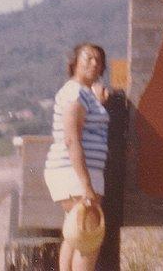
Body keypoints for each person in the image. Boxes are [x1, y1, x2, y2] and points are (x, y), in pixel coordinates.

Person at [44, 43, 111, 271]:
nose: (94, 63)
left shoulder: (84, 94)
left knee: (76, 235)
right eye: (88, 58)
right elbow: (72, 139)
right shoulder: (75, 92)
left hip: (81, 174)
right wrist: (87, 186)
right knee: (88, 239)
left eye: (99, 61)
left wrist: (98, 103)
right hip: (75, 176)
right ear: (74, 63)